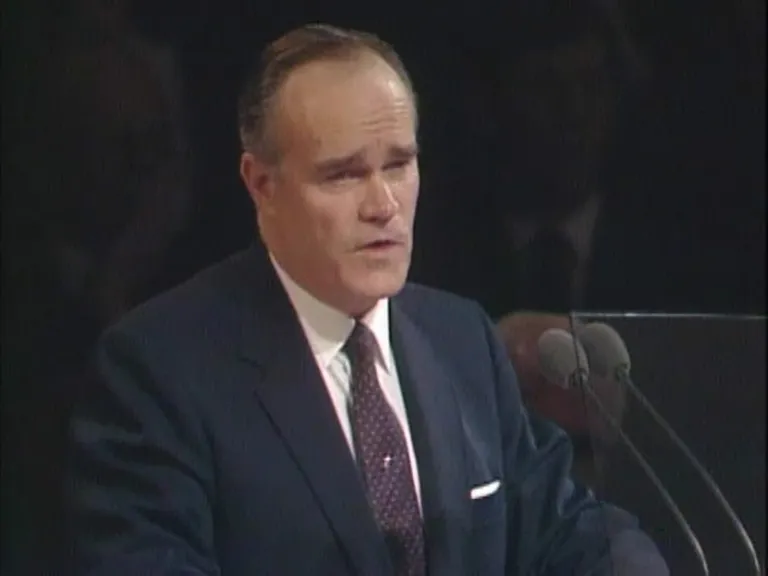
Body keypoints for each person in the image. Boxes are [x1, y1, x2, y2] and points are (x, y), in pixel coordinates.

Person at [69, 24, 668, 575]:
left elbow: (568, 529)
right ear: (262, 185)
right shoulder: (162, 369)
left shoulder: (461, 338)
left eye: (399, 165)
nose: (383, 204)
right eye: (344, 174)